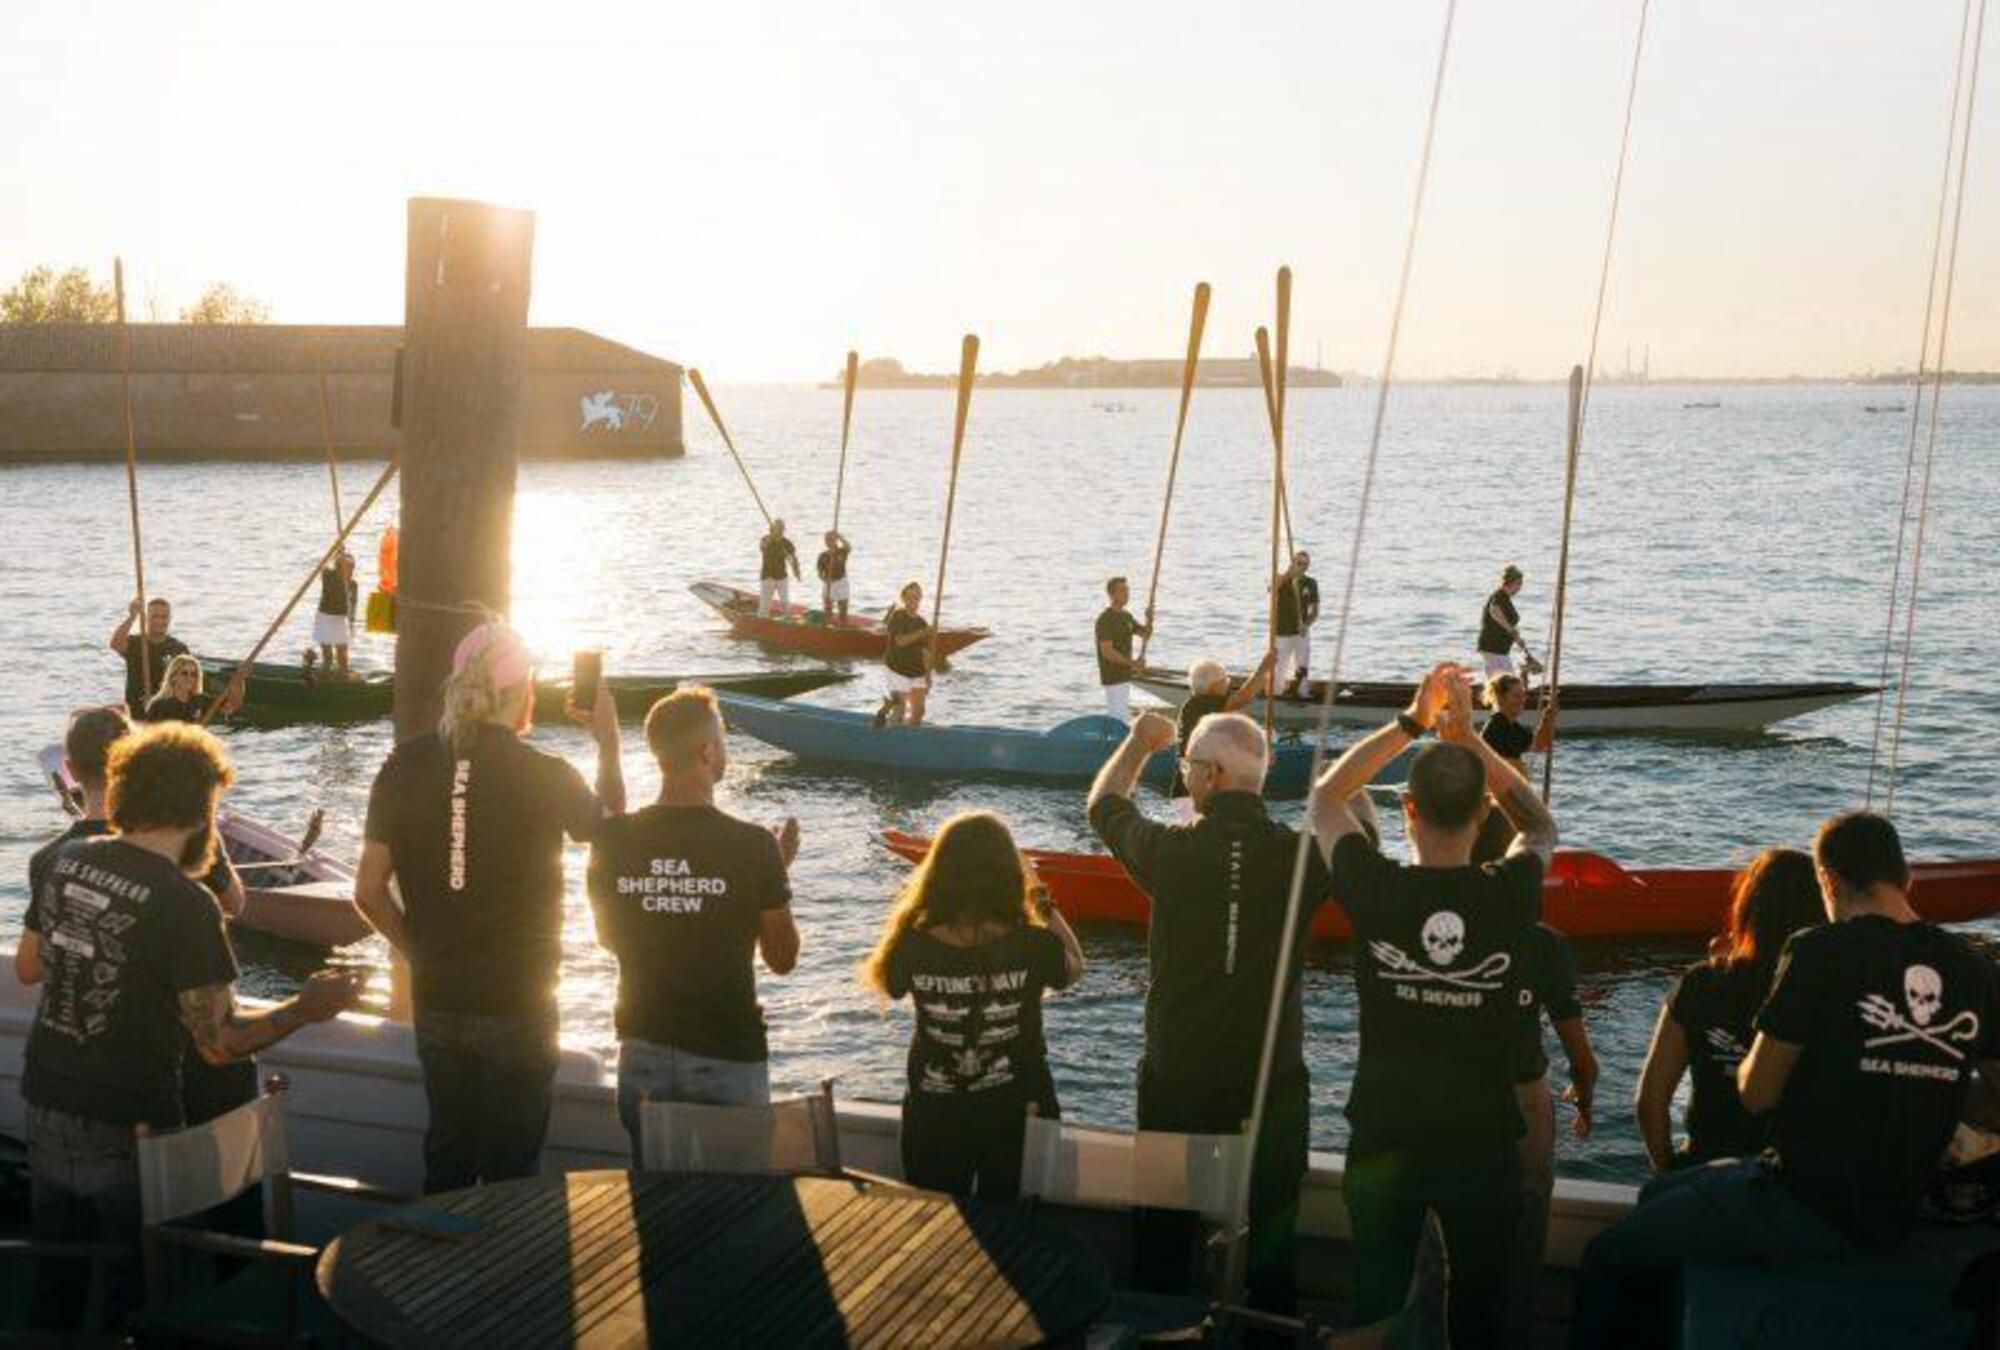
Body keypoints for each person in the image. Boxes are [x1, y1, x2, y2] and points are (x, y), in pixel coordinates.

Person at [1570, 813, 2000, 1350]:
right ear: (1906, 876)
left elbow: (1757, 1095)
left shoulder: (1818, 949)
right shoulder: (1975, 967)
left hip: (1801, 1204)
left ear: (1830, 881)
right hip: (1899, 1204)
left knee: (1610, 1254)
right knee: (1662, 1193)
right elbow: (1991, 1103)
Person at [18, 721, 360, 1328]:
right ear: (197, 806)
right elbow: (221, 1043)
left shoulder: (66, 861)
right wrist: (308, 1006)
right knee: (143, 1291)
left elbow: (44, 961)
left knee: (58, 1280)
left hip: (45, 1100)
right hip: (129, 1122)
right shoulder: (185, 902)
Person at [1309, 662, 1559, 1350]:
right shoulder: (1511, 892)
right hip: (1483, 1145)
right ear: (1482, 814)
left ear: (1407, 811)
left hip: (1385, 1138)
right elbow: (1537, 819)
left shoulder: (1375, 888)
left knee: (1377, 1302)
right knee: (1482, 1309)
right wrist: (1470, 739)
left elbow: (1328, 797)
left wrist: (1414, 722)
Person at [351, 622, 626, 1193]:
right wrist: (608, 741)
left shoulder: (403, 766)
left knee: (448, 1160)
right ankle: (502, 1277)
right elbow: (615, 835)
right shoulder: (545, 774)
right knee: (512, 1174)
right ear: (522, 690)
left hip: (441, 1000)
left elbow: (368, 890)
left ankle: (439, 1276)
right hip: (520, 1001)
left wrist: (421, 953)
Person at [1088, 707, 1326, 1328]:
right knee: (1274, 1252)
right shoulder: (1303, 857)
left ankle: (1163, 1334)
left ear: (1214, 774)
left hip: (1179, 1078)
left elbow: (1105, 805)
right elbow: (1366, 845)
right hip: (1271, 1082)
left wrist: (1139, 744)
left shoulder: (1172, 851)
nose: (1184, 773)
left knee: (1163, 1243)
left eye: (1190, 763)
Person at [586, 686, 802, 1164]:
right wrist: (775, 878)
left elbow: (607, 938)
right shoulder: (752, 847)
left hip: (642, 1048)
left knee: (658, 1205)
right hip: (727, 1049)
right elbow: (782, 959)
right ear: (706, 752)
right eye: (722, 740)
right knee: (736, 1208)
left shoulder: (614, 838)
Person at [862, 811, 1083, 1201]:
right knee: (1019, 1228)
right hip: (1020, 1111)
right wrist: (1040, 898)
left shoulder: (912, 943)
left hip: (936, 1111)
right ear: (1008, 876)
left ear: (939, 873)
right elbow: (1074, 965)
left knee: (940, 1223)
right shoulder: (1033, 944)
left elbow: (890, 985)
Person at [1633, 848, 1822, 1173]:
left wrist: (1669, 1174)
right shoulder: (1824, 992)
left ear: (1746, 909)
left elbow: (1650, 1100)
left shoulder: (1701, 983)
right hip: (1792, 1182)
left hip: (1706, 1170)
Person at [1507, 923, 1598, 1349]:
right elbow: (1582, 1059)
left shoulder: (1423, 916)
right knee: (1521, 1243)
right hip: (1519, 1101)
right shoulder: (1542, 942)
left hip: (1440, 1101)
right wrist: (1584, 1102)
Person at [1167, 651, 1275, 820]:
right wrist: (1265, 667)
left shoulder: (1198, 706)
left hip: (1194, 788)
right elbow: (1244, 697)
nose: (1228, 683)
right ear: (1212, 685)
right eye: (1224, 680)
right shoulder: (1203, 703)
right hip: (1192, 792)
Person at [1470, 672, 1555, 865]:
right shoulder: (1496, 726)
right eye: (1516, 695)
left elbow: (1540, 745)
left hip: (1508, 801)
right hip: (1497, 805)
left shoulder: (1511, 726)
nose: (1522, 700)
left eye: (1523, 695)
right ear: (1500, 698)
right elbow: (1507, 769)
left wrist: (1548, 718)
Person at [109, 595, 190, 715]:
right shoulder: (136, 643)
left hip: (167, 713)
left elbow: (188, 684)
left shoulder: (178, 648)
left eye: (164, 617)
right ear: (146, 618)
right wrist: (132, 617)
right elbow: (115, 644)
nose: (160, 621)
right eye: (155, 616)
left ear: (169, 618)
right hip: (137, 712)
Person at [1093, 576, 1154, 720]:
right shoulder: (1105, 619)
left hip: (1125, 675)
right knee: (1118, 716)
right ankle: (1114, 741)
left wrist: (1149, 618)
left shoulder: (1126, 617)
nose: (1126, 593)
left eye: (1127, 590)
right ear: (1112, 594)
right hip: (1113, 676)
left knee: (1122, 715)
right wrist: (1133, 663)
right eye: (1122, 590)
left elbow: (1145, 634)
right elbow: (1107, 652)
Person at [876, 581, 932, 728]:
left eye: (917, 597)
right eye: (911, 597)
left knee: (919, 711)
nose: (914, 600)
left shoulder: (922, 622)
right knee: (900, 709)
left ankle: (910, 736)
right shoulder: (898, 616)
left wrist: (928, 677)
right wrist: (924, 633)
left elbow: (925, 652)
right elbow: (900, 641)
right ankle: (890, 732)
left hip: (917, 671)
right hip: (897, 669)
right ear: (905, 598)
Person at [1270, 552, 1320, 697]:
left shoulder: (1310, 583)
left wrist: (1306, 625)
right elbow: (1271, 590)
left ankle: (1302, 694)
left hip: (1300, 632)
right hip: (1282, 633)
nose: (1302, 567)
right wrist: (1287, 575)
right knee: (1280, 667)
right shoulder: (1281, 579)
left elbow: (1315, 611)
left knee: (1302, 666)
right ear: (1292, 562)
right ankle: (1276, 695)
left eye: (1305, 564)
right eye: (1299, 563)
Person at [1477, 565, 1534, 679]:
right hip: (1493, 647)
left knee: (1505, 681)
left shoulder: (1506, 599)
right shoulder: (1499, 596)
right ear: (1513, 582)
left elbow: (1509, 622)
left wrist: (1518, 638)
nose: (1520, 588)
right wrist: (1510, 629)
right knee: (1504, 682)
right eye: (1519, 584)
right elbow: (1494, 611)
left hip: (1500, 649)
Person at [315, 549, 360, 680]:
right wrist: (335, 551)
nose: (349, 570)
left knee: (342, 659)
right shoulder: (328, 576)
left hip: (340, 620)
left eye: (351, 567)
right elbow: (321, 565)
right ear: (338, 566)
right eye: (346, 566)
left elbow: (353, 606)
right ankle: (322, 681)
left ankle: (343, 679)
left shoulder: (352, 585)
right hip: (325, 618)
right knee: (328, 658)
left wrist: (351, 623)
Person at [142, 653, 209, 723]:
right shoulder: (160, 706)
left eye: (193, 675)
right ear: (173, 676)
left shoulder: (199, 702)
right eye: (184, 673)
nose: (189, 678)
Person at [758, 519, 802, 617]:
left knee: (785, 603)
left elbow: (794, 558)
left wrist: (797, 571)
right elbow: (762, 547)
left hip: (782, 576)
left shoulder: (786, 543)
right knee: (764, 605)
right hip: (768, 576)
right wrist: (772, 536)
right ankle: (762, 621)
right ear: (773, 529)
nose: (780, 531)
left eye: (782, 529)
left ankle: (786, 622)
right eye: (778, 528)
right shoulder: (766, 539)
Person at [816, 530, 852, 624]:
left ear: (835, 540)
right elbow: (820, 573)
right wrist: (824, 579)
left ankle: (843, 625)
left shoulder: (841, 551)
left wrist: (839, 536)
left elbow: (848, 546)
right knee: (828, 609)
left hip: (841, 582)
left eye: (831, 539)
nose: (829, 542)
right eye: (827, 540)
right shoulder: (823, 556)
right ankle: (827, 626)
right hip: (829, 583)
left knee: (843, 608)